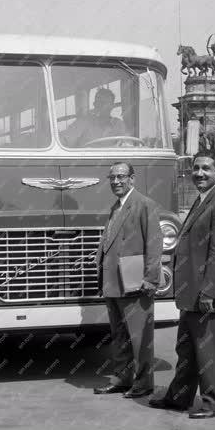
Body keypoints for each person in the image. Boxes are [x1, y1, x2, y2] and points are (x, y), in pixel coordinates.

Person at [150, 153, 215, 419]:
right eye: (196, 168)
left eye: (206, 169)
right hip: (193, 293)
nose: (200, 173)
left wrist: (209, 292)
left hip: (208, 295)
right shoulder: (206, 199)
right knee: (188, 349)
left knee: (211, 351)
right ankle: (179, 397)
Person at [93, 162, 163, 399]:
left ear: (132, 178)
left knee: (140, 338)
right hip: (113, 283)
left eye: (121, 176)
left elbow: (154, 243)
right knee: (120, 337)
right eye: (111, 177)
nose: (116, 181)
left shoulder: (145, 205)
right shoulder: (117, 206)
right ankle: (123, 379)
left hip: (135, 283)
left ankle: (144, 384)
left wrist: (151, 279)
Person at [61, 88, 126, 147]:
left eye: (103, 103)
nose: (99, 106)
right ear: (94, 105)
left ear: (112, 106)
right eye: (97, 103)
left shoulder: (118, 124)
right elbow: (65, 140)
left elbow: (126, 144)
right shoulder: (83, 122)